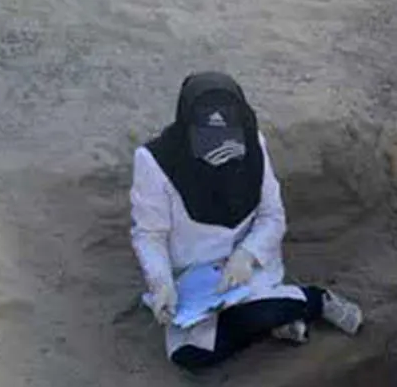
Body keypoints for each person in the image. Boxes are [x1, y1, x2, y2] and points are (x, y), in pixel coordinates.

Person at [130, 72, 364, 370]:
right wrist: (161, 281)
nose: (220, 152)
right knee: (190, 355)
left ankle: (314, 301)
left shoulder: (253, 144)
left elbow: (272, 216)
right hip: (193, 279)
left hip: (246, 271)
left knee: (258, 312)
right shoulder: (154, 162)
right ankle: (280, 316)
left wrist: (246, 255)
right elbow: (149, 234)